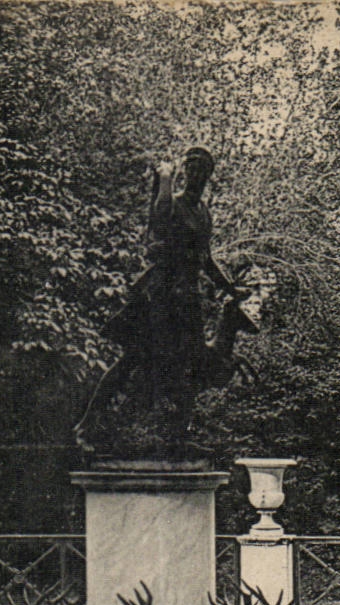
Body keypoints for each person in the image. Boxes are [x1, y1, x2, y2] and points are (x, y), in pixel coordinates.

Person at [75, 146, 250, 443]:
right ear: (183, 172)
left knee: (191, 365)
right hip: (161, 297)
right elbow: (157, 221)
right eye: (189, 169)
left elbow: (206, 259)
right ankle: (86, 424)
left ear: (208, 176)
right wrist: (165, 179)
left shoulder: (203, 213)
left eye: (201, 171)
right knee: (133, 359)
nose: (194, 175)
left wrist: (230, 287)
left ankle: (180, 435)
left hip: (189, 300)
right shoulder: (171, 204)